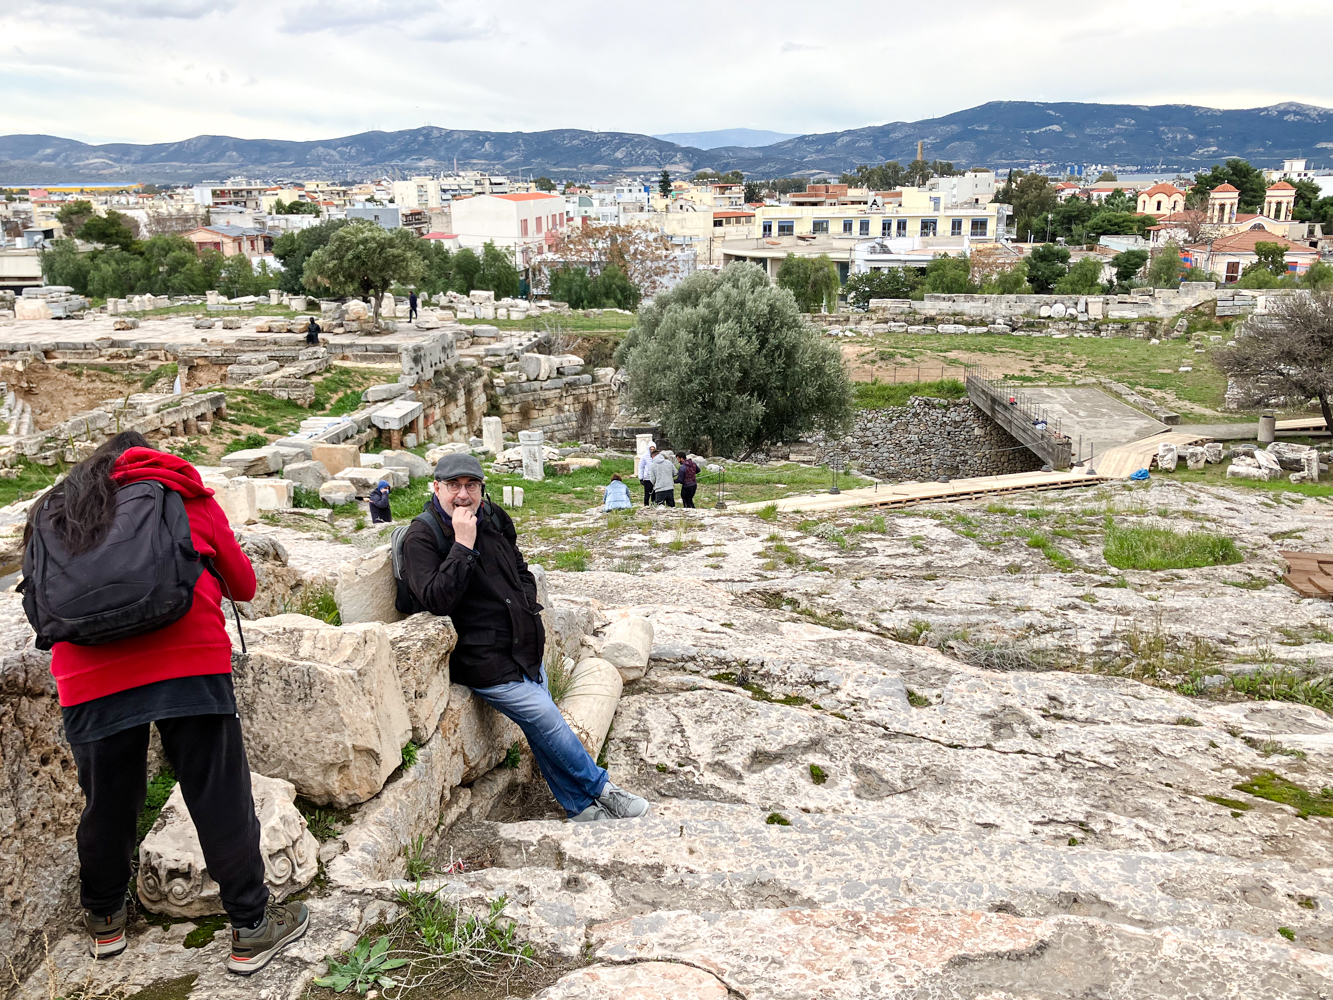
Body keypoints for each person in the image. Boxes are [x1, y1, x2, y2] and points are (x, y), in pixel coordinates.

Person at [30, 433, 307, 974]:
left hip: (87, 674)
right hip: (188, 662)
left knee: (108, 798)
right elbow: (244, 585)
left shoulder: (57, 511)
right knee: (217, 792)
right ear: (146, 456)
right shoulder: (181, 495)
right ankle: (251, 928)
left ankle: (105, 923)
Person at [400, 454, 649, 823]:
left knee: (541, 730)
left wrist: (528, 601)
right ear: (437, 488)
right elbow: (437, 598)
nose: (464, 495)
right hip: (482, 660)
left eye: (472, 486)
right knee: (547, 720)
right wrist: (463, 545)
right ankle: (601, 790)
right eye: (454, 486)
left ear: (482, 489)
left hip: (523, 646)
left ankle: (578, 807)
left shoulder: (495, 517)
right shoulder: (422, 536)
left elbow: (520, 568)